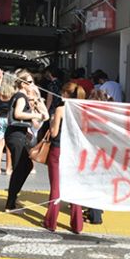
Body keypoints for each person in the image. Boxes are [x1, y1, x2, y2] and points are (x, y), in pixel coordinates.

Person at [43, 82, 85, 233]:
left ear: (67, 94)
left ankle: (51, 221)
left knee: (56, 186)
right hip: (75, 151)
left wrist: (52, 120)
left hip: (58, 148)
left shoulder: (61, 109)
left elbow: (53, 133)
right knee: (74, 186)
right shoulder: (82, 111)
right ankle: (77, 225)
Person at [4, 70, 48, 211]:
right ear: (23, 84)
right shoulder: (21, 96)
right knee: (20, 167)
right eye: (29, 82)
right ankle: (10, 201)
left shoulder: (21, 96)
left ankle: (13, 196)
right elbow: (17, 113)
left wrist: (37, 100)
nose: (32, 84)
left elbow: (44, 116)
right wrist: (35, 114)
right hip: (16, 134)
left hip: (18, 134)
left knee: (26, 165)